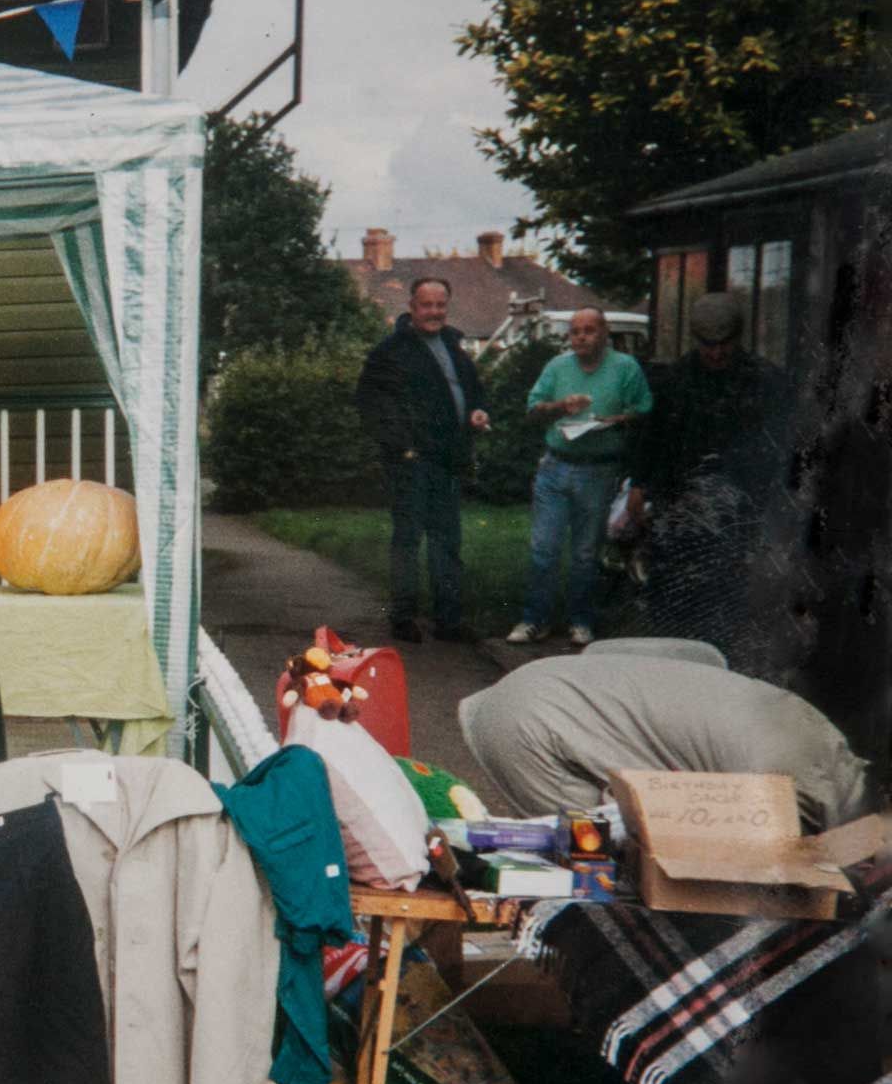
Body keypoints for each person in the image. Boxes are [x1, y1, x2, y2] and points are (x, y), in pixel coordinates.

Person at [458, 653, 878, 833]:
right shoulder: (809, 771)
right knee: (594, 867)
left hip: (538, 693)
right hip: (530, 720)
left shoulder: (814, 737)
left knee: (605, 853)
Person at [628, 291, 796, 673]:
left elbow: (781, 448)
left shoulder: (767, 381)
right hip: (678, 504)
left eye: (724, 344)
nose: (716, 353)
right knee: (672, 591)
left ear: (738, 338)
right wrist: (638, 486)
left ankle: (720, 667)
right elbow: (650, 438)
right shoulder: (673, 381)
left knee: (727, 592)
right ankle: (675, 665)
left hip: (739, 507)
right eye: (707, 344)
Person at [353, 278, 492, 644]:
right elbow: (370, 403)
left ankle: (449, 621)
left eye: (440, 305)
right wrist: (402, 447)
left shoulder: (454, 346)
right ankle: (403, 618)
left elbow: (473, 391)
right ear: (412, 307)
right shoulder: (391, 351)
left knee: (447, 541)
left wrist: (477, 411)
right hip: (411, 462)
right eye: (427, 305)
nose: (434, 312)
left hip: (448, 460)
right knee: (408, 540)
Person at [505, 307, 653, 648]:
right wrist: (560, 406)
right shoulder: (558, 367)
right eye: (575, 331)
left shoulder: (625, 368)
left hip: (599, 470)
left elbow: (643, 412)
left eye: (589, 330)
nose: (581, 337)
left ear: (605, 333)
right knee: (544, 548)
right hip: (556, 465)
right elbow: (532, 409)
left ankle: (581, 621)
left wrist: (614, 419)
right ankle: (534, 620)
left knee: (586, 552)